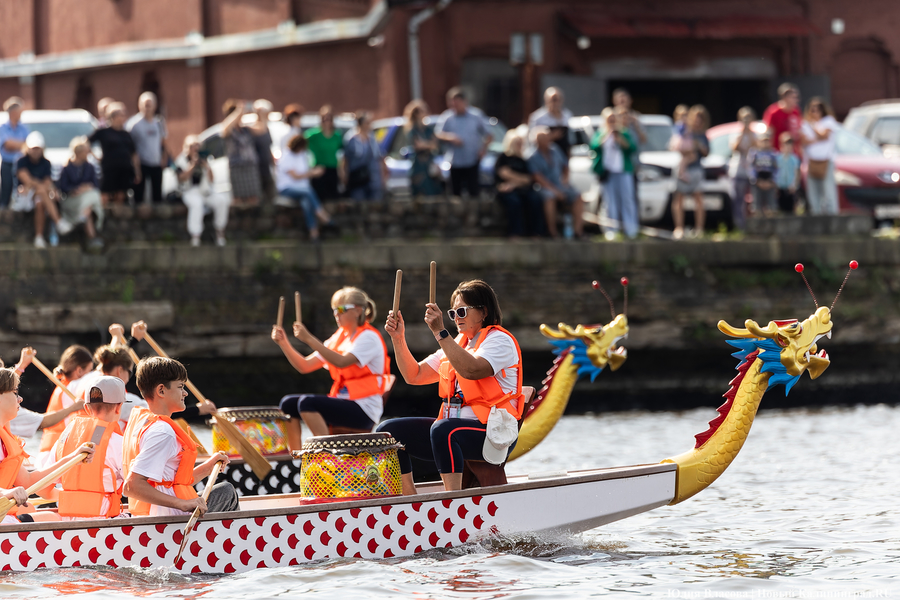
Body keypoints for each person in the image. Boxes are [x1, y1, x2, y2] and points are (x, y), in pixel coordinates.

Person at [376, 279, 524, 494]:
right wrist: (398, 339)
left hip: (493, 432)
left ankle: (452, 500)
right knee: (388, 431)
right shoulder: (456, 344)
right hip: (452, 432)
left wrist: (440, 333)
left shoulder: (499, 340)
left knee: (444, 429)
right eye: (453, 313)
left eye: (462, 311)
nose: (456, 318)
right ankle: (409, 500)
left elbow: (472, 370)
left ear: (483, 312)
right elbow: (414, 375)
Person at [272, 287, 388, 451]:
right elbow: (305, 366)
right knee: (288, 403)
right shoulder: (339, 337)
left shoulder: (369, 337)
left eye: (341, 309)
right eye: (334, 310)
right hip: (344, 402)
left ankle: (326, 455)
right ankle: (295, 458)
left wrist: (309, 339)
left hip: (364, 409)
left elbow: (341, 362)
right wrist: (283, 343)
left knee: (308, 402)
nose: (336, 314)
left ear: (357, 310)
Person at [122, 357, 238, 517]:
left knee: (223, 490)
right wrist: (182, 504)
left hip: (153, 514)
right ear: (161, 390)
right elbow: (132, 486)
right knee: (227, 492)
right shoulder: (162, 431)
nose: (185, 392)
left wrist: (209, 467)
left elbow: (174, 482)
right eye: (180, 386)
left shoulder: (143, 422)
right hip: (167, 519)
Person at [0, 367, 96, 524]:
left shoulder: (4, 436)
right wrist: (7, 493)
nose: (20, 399)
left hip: (4, 516)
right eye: (14, 393)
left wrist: (73, 458)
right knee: (52, 519)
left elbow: (29, 480)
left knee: (46, 515)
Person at [49, 376, 128, 520]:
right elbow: (133, 487)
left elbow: (44, 488)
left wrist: (74, 497)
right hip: (104, 523)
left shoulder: (65, 437)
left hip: (67, 524)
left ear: (86, 408)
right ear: (118, 407)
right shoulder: (120, 443)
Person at [5, 348, 86, 440]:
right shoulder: (11, 411)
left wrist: (21, 366)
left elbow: (6, 386)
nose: (20, 399)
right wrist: (74, 407)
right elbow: (43, 421)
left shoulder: (6, 403)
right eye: (14, 393)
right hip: (54, 447)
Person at [16, 132, 75, 247]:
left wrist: (41, 186)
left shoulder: (46, 163)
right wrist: (42, 186)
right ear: (28, 148)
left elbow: (47, 182)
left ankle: (39, 237)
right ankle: (58, 221)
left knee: (40, 202)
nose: (36, 151)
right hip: (23, 197)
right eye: (33, 148)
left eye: (38, 148)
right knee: (42, 192)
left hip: (39, 196)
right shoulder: (21, 161)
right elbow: (27, 180)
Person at [435, 88, 492, 200]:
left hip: (472, 160)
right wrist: (450, 137)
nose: (454, 106)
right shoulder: (447, 117)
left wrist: (483, 149)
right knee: (456, 194)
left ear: (464, 101)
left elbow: (489, 135)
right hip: (454, 161)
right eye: (451, 103)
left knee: (473, 192)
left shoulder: (476, 116)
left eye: (456, 103)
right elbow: (438, 134)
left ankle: (473, 215)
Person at [38, 345, 95, 458]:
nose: (91, 375)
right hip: (57, 454)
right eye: (89, 371)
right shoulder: (72, 389)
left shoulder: (62, 387)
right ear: (79, 370)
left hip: (49, 452)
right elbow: (103, 373)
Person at [528, 126, 585, 239]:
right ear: (536, 141)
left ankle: (578, 232)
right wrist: (556, 191)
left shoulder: (555, 150)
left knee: (577, 196)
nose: (546, 140)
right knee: (549, 197)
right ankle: (552, 232)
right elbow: (538, 178)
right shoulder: (532, 156)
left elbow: (565, 166)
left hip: (559, 184)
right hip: (543, 187)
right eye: (542, 139)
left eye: (547, 137)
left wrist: (565, 179)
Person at [592, 108, 638, 240]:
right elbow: (594, 147)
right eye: (609, 120)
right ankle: (611, 230)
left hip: (623, 171)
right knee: (609, 201)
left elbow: (632, 148)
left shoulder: (624, 132)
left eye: (613, 119)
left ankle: (631, 229)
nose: (612, 122)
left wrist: (619, 138)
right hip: (608, 173)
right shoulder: (600, 133)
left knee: (627, 200)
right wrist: (607, 135)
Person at [175, 135, 230, 247]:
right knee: (196, 204)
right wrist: (193, 165)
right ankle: (196, 236)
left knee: (222, 201)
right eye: (192, 146)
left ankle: (220, 233)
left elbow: (212, 179)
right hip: (189, 191)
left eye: (197, 146)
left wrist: (206, 166)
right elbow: (182, 178)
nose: (195, 149)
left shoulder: (206, 159)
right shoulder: (181, 160)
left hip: (205, 190)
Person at [277, 134, 330, 240]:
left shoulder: (302, 155)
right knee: (308, 192)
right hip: (287, 189)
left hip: (302, 189)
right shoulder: (286, 156)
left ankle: (313, 233)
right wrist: (312, 173)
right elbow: (295, 176)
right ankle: (321, 214)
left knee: (306, 202)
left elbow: (305, 170)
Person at [88, 102, 141, 205]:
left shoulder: (126, 134)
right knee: (105, 194)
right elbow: (86, 142)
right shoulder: (103, 132)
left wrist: (137, 171)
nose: (123, 118)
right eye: (121, 115)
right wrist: (96, 157)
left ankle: (117, 218)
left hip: (125, 169)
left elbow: (133, 154)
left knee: (121, 195)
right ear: (113, 117)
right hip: (109, 169)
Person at [669, 105, 709, 239]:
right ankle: (679, 228)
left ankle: (699, 229)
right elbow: (675, 147)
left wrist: (698, 146)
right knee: (679, 198)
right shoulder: (682, 129)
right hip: (682, 167)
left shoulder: (702, 135)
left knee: (698, 199)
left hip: (696, 169)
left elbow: (706, 153)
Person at [494, 129, 544, 237]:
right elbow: (504, 174)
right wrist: (520, 179)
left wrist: (513, 183)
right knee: (514, 202)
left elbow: (529, 179)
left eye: (521, 143)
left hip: (519, 189)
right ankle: (515, 233)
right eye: (517, 143)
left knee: (535, 200)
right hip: (506, 190)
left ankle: (536, 232)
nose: (520, 146)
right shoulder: (503, 158)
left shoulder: (523, 160)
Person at [57, 136, 104, 248]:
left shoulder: (90, 167)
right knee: (91, 199)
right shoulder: (67, 168)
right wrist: (75, 190)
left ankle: (88, 230)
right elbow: (63, 188)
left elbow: (96, 185)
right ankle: (91, 235)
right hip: (72, 201)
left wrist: (86, 187)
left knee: (90, 199)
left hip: (87, 202)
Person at [126, 92, 168, 204]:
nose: (147, 107)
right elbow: (130, 147)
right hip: (141, 163)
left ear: (155, 105)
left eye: (149, 104)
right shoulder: (133, 124)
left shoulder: (159, 122)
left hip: (156, 163)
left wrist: (164, 158)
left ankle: (157, 219)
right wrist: (135, 167)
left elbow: (163, 142)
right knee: (139, 195)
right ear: (139, 105)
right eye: (145, 104)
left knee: (157, 195)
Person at [800, 97, 840, 216]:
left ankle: (832, 214)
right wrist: (816, 137)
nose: (815, 113)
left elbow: (824, 136)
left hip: (826, 160)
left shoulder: (828, 121)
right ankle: (816, 214)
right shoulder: (805, 124)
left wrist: (813, 129)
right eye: (812, 110)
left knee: (828, 189)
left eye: (817, 110)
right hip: (811, 161)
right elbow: (804, 141)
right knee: (813, 190)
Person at [220, 99, 261, 209]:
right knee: (238, 199)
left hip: (249, 164)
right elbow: (225, 128)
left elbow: (261, 129)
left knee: (253, 198)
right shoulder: (227, 129)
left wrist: (261, 113)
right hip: (237, 166)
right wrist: (239, 110)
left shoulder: (245, 129)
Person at [404, 100, 442, 199]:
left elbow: (435, 145)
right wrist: (428, 144)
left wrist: (426, 144)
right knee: (420, 192)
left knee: (433, 192)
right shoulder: (413, 130)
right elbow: (417, 145)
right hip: (419, 166)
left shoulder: (429, 129)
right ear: (416, 114)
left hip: (429, 164)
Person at [305, 105, 344, 201]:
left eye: (329, 119)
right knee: (320, 198)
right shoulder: (313, 135)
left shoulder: (337, 136)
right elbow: (299, 146)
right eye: (324, 119)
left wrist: (342, 170)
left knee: (333, 198)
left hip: (333, 170)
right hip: (319, 169)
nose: (327, 121)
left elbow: (341, 154)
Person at [343, 113, 385, 202]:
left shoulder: (373, 139)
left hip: (374, 180)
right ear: (361, 124)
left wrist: (383, 178)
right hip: (358, 181)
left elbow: (379, 158)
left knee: (375, 206)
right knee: (359, 206)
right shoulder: (352, 139)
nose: (370, 125)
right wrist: (345, 177)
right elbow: (345, 160)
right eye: (367, 122)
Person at [729, 107, 757, 230]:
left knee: (754, 200)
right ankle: (739, 226)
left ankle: (754, 226)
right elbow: (734, 147)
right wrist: (742, 133)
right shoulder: (735, 133)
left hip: (751, 172)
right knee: (738, 200)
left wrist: (749, 133)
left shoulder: (754, 134)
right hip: (738, 171)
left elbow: (756, 147)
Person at [0, 97, 29, 212]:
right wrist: (20, 144)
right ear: (13, 112)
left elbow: (28, 145)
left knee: (21, 190)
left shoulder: (23, 128)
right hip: (7, 164)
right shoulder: (3, 128)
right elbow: (7, 145)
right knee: (6, 189)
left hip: (22, 164)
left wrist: (14, 143)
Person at [528, 87, 574, 157]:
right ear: (546, 100)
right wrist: (550, 136)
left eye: (558, 99)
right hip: (544, 156)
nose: (555, 103)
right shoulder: (538, 118)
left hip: (563, 155)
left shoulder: (567, 115)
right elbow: (531, 140)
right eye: (553, 100)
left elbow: (571, 136)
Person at [763, 83, 802, 153]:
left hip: (793, 154)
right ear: (785, 97)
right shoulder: (773, 112)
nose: (796, 100)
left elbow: (799, 131)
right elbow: (768, 133)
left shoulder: (796, 111)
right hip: (778, 153)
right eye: (793, 97)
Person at [250, 99, 277, 203]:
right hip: (257, 170)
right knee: (259, 199)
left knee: (271, 197)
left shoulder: (267, 128)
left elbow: (269, 147)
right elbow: (260, 130)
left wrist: (273, 164)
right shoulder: (254, 128)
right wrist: (261, 114)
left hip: (267, 169)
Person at [749, 132, 779, 217]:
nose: (765, 143)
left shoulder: (773, 154)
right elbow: (751, 167)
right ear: (758, 142)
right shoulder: (754, 153)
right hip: (758, 181)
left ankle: (771, 218)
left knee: (771, 205)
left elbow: (777, 168)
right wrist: (756, 180)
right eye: (763, 141)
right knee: (756, 205)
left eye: (767, 141)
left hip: (769, 181)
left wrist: (772, 181)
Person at [776, 132, 801, 215]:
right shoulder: (777, 158)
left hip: (791, 187)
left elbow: (797, 173)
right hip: (780, 187)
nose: (788, 147)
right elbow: (776, 172)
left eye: (790, 144)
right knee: (780, 208)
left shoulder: (795, 159)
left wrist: (794, 185)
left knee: (791, 209)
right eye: (785, 144)